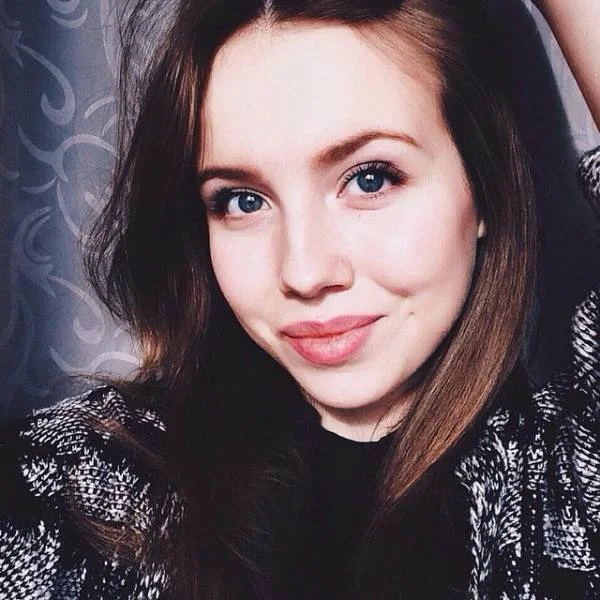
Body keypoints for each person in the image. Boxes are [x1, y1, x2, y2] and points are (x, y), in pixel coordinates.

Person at [1, 0, 599, 598]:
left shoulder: (564, 493)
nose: (304, 272)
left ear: (484, 189)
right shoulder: (71, 491)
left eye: (369, 179)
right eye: (242, 200)